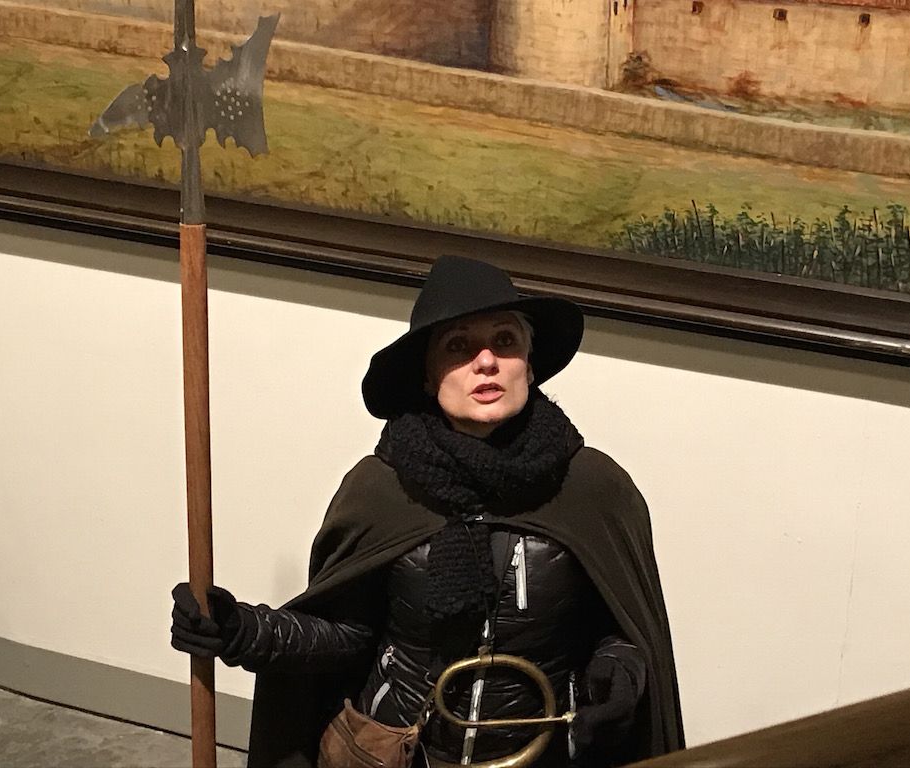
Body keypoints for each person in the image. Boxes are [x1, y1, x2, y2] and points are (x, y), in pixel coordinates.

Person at [171, 255, 684, 767]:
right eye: (458, 346)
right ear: (427, 374)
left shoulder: (592, 488)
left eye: (505, 341)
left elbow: (623, 629)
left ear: (529, 364)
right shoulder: (383, 487)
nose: (487, 362)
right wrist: (240, 630)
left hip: (542, 755)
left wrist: (620, 673)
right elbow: (345, 635)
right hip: (399, 754)